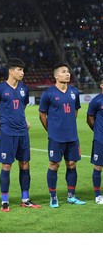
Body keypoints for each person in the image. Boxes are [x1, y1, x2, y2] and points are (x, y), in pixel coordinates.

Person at [0, 58, 41, 212]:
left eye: (23, 70)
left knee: (25, 164)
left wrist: (22, 121)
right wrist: (2, 124)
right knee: (6, 165)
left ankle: (25, 199)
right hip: (8, 133)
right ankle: (4, 201)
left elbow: (22, 106)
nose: (22, 73)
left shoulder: (24, 89)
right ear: (11, 71)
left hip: (22, 133)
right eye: (19, 70)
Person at [39, 62, 86, 207]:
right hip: (56, 137)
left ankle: (71, 195)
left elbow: (75, 111)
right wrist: (51, 130)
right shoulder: (48, 94)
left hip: (72, 136)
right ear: (56, 76)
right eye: (64, 72)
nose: (68, 74)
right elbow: (42, 114)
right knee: (54, 165)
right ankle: (53, 197)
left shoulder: (74, 92)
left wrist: (68, 125)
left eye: (68, 72)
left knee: (72, 164)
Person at [87, 76, 103, 205]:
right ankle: (98, 195)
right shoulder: (96, 101)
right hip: (100, 139)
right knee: (98, 167)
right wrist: (97, 131)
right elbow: (90, 118)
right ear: (101, 85)